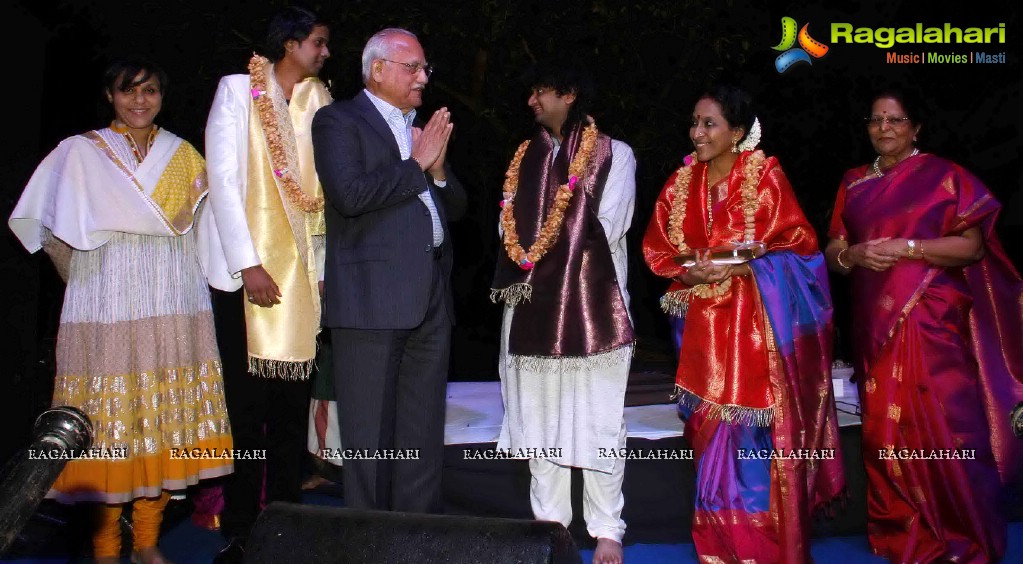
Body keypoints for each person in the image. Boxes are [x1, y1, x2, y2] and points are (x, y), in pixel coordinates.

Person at [9, 59, 233, 564]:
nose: (139, 100)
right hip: (106, 300)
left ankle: (147, 542)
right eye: (127, 91)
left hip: (172, 297)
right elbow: (48, 226)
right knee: (109, 425)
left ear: (161, 96)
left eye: (149, 91)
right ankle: (106, 545)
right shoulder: (80, 153)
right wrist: (82, 278)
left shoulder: (184, 156)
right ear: (110, 96)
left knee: (165, 422)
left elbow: (210, 230)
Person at [642, 85, 844, 563]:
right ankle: (719, 548)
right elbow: (659, 250)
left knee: (753, 443)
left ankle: (764, 549)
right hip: (698, 331)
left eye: (709, 124)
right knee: (710, 440)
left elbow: (801, 248)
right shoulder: (678, 184)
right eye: (694, 122)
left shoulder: (767, 177)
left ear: (737, 131)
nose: (697, 133)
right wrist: (688, 271)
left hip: (755, 334)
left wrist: (746, 268)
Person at [825, 89, 1023, 563]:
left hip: (933, 322)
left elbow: (971, 246)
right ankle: (906, 533)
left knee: (948, 425)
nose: (884, 128)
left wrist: (907, 248)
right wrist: (852, 254)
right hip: (875, 324)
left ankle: (963, 534)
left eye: (896, 120)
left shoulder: (945, 177)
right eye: (875, 120)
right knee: (885, 431)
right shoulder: (853, 182)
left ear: (917, 128)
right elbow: (833, 249)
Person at [311, 27, 465, 513]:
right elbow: (350, 196)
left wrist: (437, 171)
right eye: (412, 67)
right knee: (370, 439)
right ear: (377, 70)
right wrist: (417, 164)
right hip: (371, 300)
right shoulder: (338, 121)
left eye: (425, 68)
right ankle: (369, 541)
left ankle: (416, 537)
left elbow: (456, 208)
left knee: (421, 433)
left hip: (431, 298)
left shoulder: (416, 126)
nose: (423, 77)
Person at [198, 6, 332, 561]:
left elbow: (319, 197)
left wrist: (320, 272)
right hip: (242, 275)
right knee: (246, 410)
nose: (325, 53)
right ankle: (239, 524)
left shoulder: (316, 99)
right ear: (291, 44)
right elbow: (224, 180)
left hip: (300, 281)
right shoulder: (237, 89)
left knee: (290, 405)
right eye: (319, 43)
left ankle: (284, 517)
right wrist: (247, 264)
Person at [490, 61, 635, 564]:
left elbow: (609, 227)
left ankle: (607, 528)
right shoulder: (522, 158)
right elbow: (507, 234)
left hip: (595, 308)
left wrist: (554, 224)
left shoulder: (616, 154)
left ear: (570, 94)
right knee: (539, 418)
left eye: (541, 91)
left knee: (598, 418)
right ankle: (550, 524)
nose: (531, 101)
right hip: (529, 308)